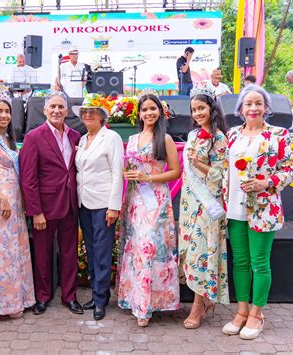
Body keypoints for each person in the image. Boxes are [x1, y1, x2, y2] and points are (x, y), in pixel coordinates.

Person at [222, 84, 293, 340]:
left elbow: (289, 169)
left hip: (263, 208)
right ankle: (241, 311)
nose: (253, 108)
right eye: (248, 104)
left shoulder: (278, 134)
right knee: (240, 262)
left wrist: (267, 183)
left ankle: (257, 314)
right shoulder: (232, 134)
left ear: (266, 107)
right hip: (234, 206)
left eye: (258, 103)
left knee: (259, 263)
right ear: (240, 109)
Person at [117, 92, 181, 327]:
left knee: (151, 248)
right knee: (135, 248)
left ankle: (148, 306)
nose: (149, 113)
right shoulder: (133, 139)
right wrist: (128, 173)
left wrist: (149, 176)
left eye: (153, 108)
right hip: (135, 200)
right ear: (139, 113)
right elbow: (129, 168)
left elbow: (175, 171)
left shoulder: (165, 139)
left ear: (160, 111)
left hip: (156, 200)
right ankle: (133, 299)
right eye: (145, 109)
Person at [19, 91, 83, 316]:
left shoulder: (76, 136)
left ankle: (70, 296)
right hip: (45, 208)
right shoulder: (34, 137)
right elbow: (28, 178)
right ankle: (43, 297)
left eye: (61, 107)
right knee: (43, 254)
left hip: (70, 205)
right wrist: (35, 211)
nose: (57, 110)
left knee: (69, 253)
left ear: (67, 111)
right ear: (45, 110)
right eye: (52, 107)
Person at [0, 91, 36, 318]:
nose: (4, 115)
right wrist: (2, 197)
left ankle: (21, 298)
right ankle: (6, 304)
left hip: (14, 200)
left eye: (7, 111)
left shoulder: (9, 139)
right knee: (2, 253)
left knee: (16, 250)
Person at [178, 86, 229, 329]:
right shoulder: (193, 135)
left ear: (212, 108)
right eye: (194, 109)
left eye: (202, 108)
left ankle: (198, 306)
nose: (198, 113)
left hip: (208, 203)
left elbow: (221, 174)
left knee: (202, 254)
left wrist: (199, 164)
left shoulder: (219, 138)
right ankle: (205, 300)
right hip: (189, 203)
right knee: (191, 252)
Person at [72, 97, 124, 321]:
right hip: (84, 203)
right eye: (85, 112)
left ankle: (101, 299)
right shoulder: (83, 139)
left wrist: (114, 206)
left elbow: (117, 173)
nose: (88, 115)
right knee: (92, 251)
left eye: (92, 112)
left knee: (102, 252)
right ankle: (96, 293)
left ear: (102, 116)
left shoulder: (111, 138)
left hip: (104, 205)